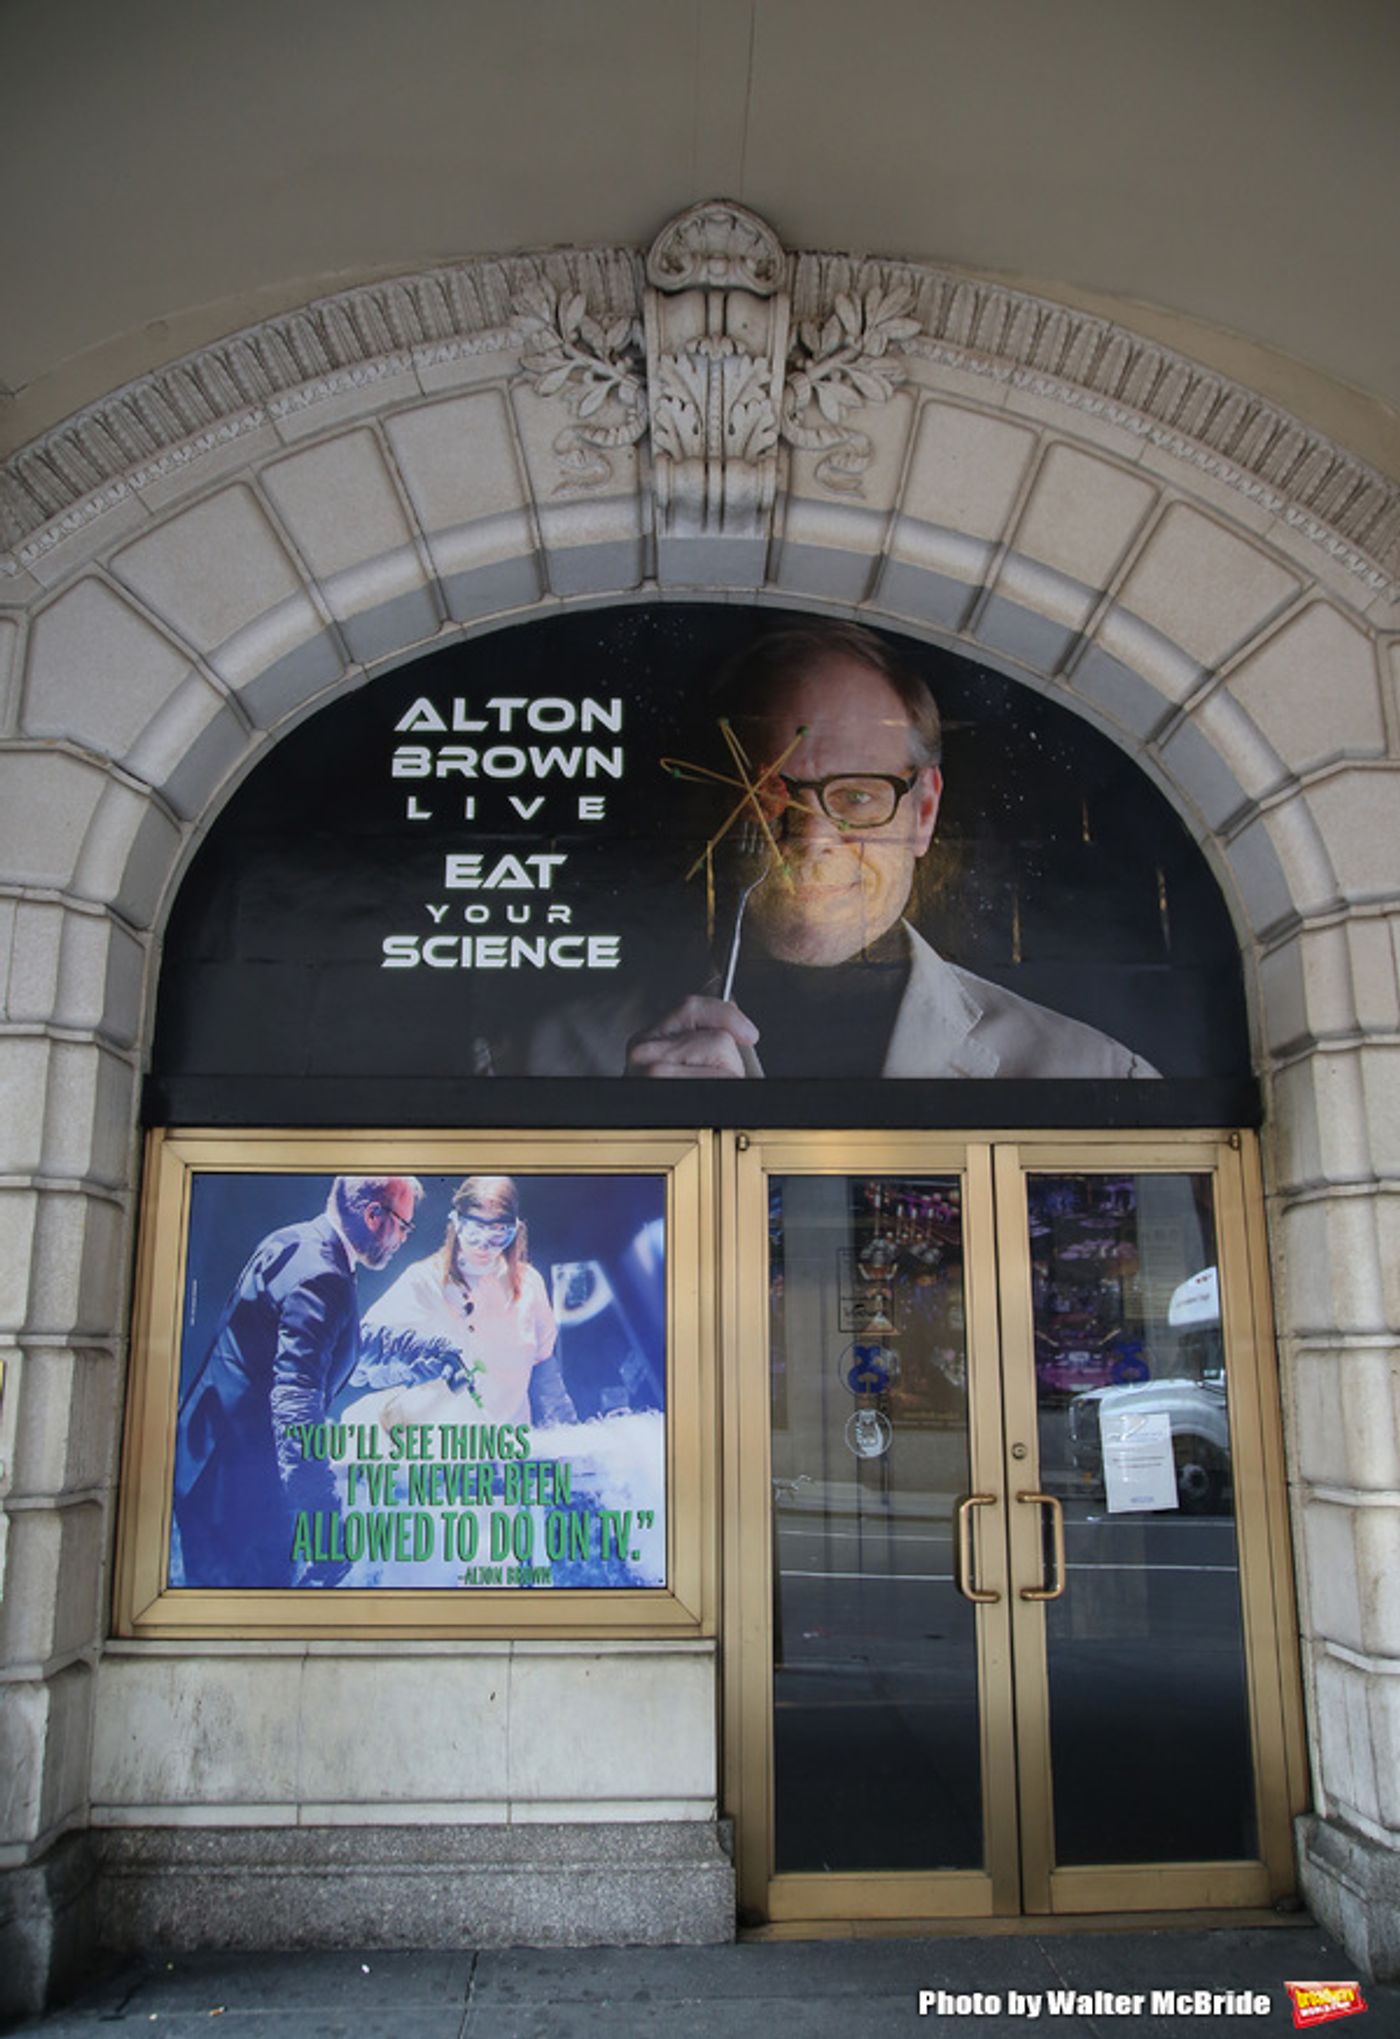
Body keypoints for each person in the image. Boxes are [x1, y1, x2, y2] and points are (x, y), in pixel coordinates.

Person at [514, 621, 1158, 1079]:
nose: (812, 837)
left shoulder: (1093, 1076)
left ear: (924, 811)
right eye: (767, 795)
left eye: (856, 797)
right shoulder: (542, 1061)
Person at [173, 1174, 422, 1588]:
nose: (404, 1239)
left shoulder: (297, 1240)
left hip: (212, 1466)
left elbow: (326, 1338)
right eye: (404, 1225)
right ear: (373, 1215)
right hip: (237, 1493)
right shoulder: (323, 1277)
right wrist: (326, 1532)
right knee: (250, 1634)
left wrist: (418, 1350)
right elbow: (296, 1409)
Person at [354, 1176, 575, 1426]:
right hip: (444, 1451)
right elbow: (359, 1358)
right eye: (474, 1231)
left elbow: (544, 1366)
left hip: (507, 1449)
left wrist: (567, 1425)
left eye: (498, 1233)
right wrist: (408, 1367)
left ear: (513, 1231)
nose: (484, 1245)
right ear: (456, 1225)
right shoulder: (424, 1282)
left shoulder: (529, 1284)